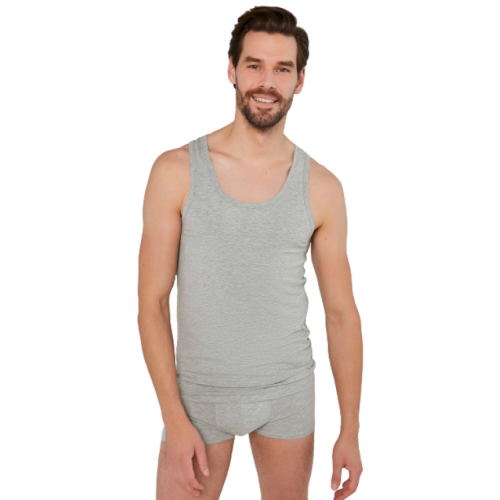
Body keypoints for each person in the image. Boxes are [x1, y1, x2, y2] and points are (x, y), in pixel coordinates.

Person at [137, 6, 363, 500]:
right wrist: (173, 418)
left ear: (300, 80)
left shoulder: (322, 187)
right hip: (197, 396)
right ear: (232, 70)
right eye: (254, 65)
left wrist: (350, 429)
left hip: (287, 391)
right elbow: (151, 304)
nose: (267, 82)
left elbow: (342, 314)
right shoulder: (176, 171)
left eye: (282, 69)